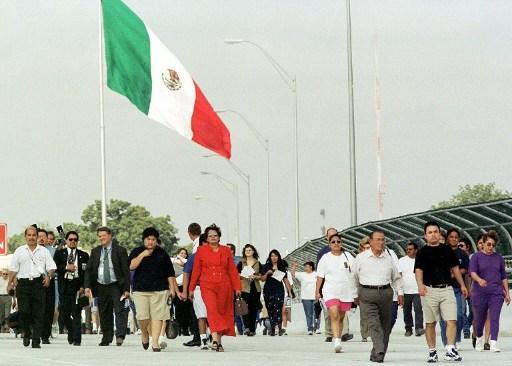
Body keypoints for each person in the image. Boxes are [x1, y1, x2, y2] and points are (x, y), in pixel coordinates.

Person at [414, 221, 468, 363]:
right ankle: (432, 352)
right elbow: (418, 270)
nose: (433, 235)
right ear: (425, 235)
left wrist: (462, 285)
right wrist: (420, 285)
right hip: (428, 290)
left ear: (439, 233)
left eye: (435, 232)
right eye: (430, 232)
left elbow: (455, 269)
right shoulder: (422, 252)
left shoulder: (447, 250)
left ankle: (450, 349)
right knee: (430, 323)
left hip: (447, 289)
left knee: (452, 319)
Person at [352, 230, 403, 363]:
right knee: (374, 323)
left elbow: (396, 277)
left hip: (386, 293)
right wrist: (354, 294)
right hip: (367, 293)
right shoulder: (361, 258)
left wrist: (400, 292)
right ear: (370, 241)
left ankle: (378, 353)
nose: (381, 242)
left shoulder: (388, 258)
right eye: (378, 240)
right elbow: (353, 278)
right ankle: (380, 348)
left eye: (383, 240)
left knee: (386, 324)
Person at [188, 224, 241, 352]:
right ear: (206, 237)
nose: (213, 237)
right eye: (210, 236)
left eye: (215, 235)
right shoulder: (201, 251)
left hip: (224, 286)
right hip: (207, 285)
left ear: (219, 237)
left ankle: (219, 340)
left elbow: (232, 271)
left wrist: (237, 287)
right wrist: (191, 288)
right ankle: (215, 339)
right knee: (212, 310)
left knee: (221, 312)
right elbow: (195, 271)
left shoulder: (226, 250)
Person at [7, 226, 56, 348]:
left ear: (37, 236)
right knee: (24, 312)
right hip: (23, 284)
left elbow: (51, 267)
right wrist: (9, 284)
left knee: (38, 312)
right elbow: (13, 269)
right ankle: (27, 332)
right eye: (29, 235)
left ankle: (36, 339)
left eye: (34, 235)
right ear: (25, 237)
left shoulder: (44, 251)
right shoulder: (19, 251)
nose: (32, 237)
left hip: (38, 284)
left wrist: (48, 277)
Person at [128, 227, 176, 352]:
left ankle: (155, 342)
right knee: (142, 317)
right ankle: (144, 333)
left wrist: (172, 288)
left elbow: (170, 272)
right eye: (148, 239)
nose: (150, 242)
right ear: (144, 240)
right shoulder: (137, 251)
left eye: (153, 239)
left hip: (160, 289)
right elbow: (131, 266)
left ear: (156, 240)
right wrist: (142, 255)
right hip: (140, 290)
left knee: (157, 316)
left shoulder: (162, 253)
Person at [84, 226, 130, 346]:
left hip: (116, 284)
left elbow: (126, 271)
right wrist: (87, 286)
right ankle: (107, 337)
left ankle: (120, 335)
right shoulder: (95, 251)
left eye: (104, 235)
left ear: (110, 236)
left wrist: (126, 289)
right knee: (104, 312)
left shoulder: (120, 250)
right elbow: (89, 270)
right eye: (99, 236)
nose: (101, 238)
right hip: (100, 285)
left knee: (119, 310)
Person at [469, 230, 510, 352]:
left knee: (494, 317)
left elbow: (503, 277)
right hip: (479, 293)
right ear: (483, 244)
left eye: (493, 245)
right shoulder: (476, 257)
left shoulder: (499, 258)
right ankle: (479, 339)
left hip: (496, 293)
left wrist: (507, 293)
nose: (491, 247)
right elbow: (472, 273)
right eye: (488, 244)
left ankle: (493, 343)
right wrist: (479, 280)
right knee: (480, 319)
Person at [316, 233, 356, 353]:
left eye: (338, 242)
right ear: (329, 244)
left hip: (345, 291)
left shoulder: (348, 256)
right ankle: (337, 341)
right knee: (334, 314)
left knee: (341, 317)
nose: (336, 244)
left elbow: (355, 271)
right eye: (333, 242)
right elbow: (320, 277)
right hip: (330, 290)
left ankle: (338, 336)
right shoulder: (325, 258)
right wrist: (317, 291)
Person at [53, 231, 89, 346]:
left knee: (76, 312)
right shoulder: (60, 253)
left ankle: (77, 338)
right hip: (64, 285)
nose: (73, 241)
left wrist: (84, 286)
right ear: (67, 241)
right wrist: (66, 267)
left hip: (77, 286)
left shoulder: (84, 255)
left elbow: (87, 272)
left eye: (75, 239)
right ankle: (71, 331)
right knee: (64, 313)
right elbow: (54, 267)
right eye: (70, 239)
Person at [439, 228, 469, 348]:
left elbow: (465, 268)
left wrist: (454, 274)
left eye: (456, 237)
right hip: (444, 288)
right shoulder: (442, 251)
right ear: (447, 238)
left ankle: (455, 339)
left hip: (457, 288)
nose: (453, 239)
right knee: (444, 318)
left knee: (460, 314)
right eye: (451, 237)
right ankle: (447, 343)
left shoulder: (462, 254)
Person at [182, 233, 209, 349]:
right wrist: (186, 291)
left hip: (215, 288)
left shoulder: (219, 255)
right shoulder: (194, 257)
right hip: (198, 288)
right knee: (201, 315)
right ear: (203, 243)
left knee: (213, 315)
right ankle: (203, 340)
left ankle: (214, 339)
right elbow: (186, 273)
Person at [260, 249, 292, 336]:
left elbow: (285, 280)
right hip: (268, 290)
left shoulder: (281, 266)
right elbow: (262, 279)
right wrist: (267, 273)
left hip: (279, 289)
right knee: (270, 309)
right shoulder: (266, 266)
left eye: (276, 256)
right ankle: (273, 328)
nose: (274, 258)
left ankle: (279, 326)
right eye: (272, 256)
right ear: (270, 257)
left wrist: (289, 291)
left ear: (278, 257)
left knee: (278, 308)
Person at [398, 242, 424, 337]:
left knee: (418, 309)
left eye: (410, 249)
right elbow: (399, 276)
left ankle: (419, 328)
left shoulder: (420, 260)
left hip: (418, 290)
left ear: (416, 250)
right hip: (406, 290)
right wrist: (399, 291)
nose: (408, 251)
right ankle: (408, 328)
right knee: (406, 310)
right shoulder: (401, 261)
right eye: (407, 249)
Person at [237, 244, 262, 336]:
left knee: (253, 308)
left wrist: (255, 276)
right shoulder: (241, 263)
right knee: (244, 308)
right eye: (246, 250)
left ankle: (252, 329)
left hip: (255, 288)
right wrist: (243, 275)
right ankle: (246, 327)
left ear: (253, 252)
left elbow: (261, 276)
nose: (248, 252)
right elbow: (236, 274)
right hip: (244, 287)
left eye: (250, 250)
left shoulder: (258, 263)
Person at [37, 228, 56, 344]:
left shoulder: (53, 251)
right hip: (35, 281)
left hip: (50, 281)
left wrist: (49, 276)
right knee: (36, 309)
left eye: (44, 236)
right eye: (39, 236)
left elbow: (56, 266)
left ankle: (45, 335)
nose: (42, 238)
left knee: (49, 309)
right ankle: (35, 332)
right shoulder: (31, 250)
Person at [291, 260, 317, 335]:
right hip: (306, 297)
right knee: (308, 314)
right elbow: (293, 274)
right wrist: (294, 266)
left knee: (316, 313)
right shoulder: (302, 274)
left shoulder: (316, 274)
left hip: (315, 297)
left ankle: (316, 327)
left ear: (311, 267)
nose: (304, 267)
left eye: (306, 266)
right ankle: (310, 328)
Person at [172, 247, 192, 336]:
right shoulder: (173, 264)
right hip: (177, 288)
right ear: (178, 254)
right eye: (181, 253)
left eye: (185, 253)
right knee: (179, 308)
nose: (183, 255)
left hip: (186, 287)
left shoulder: (187, 264)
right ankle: (179, 327)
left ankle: (186, 328)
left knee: (187, 308)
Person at [458, 237, 473, 339]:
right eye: (458, 245)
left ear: (468, 247)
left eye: (461, 246)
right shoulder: (457, 258)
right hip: (461, 288)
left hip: (472, 288)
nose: (459, 247)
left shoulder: (473, 258)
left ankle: (466, 324)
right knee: (462, 310)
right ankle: (466, 329)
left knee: (473, 311)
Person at [357, 236, 370, 342]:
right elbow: (354, 276)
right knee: (364, 313)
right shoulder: (358, 259)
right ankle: (365, 334)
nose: (367, 250)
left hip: (377, 289)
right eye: (365, 248)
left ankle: (374, 332)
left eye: (369, 247)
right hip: (363, 289)